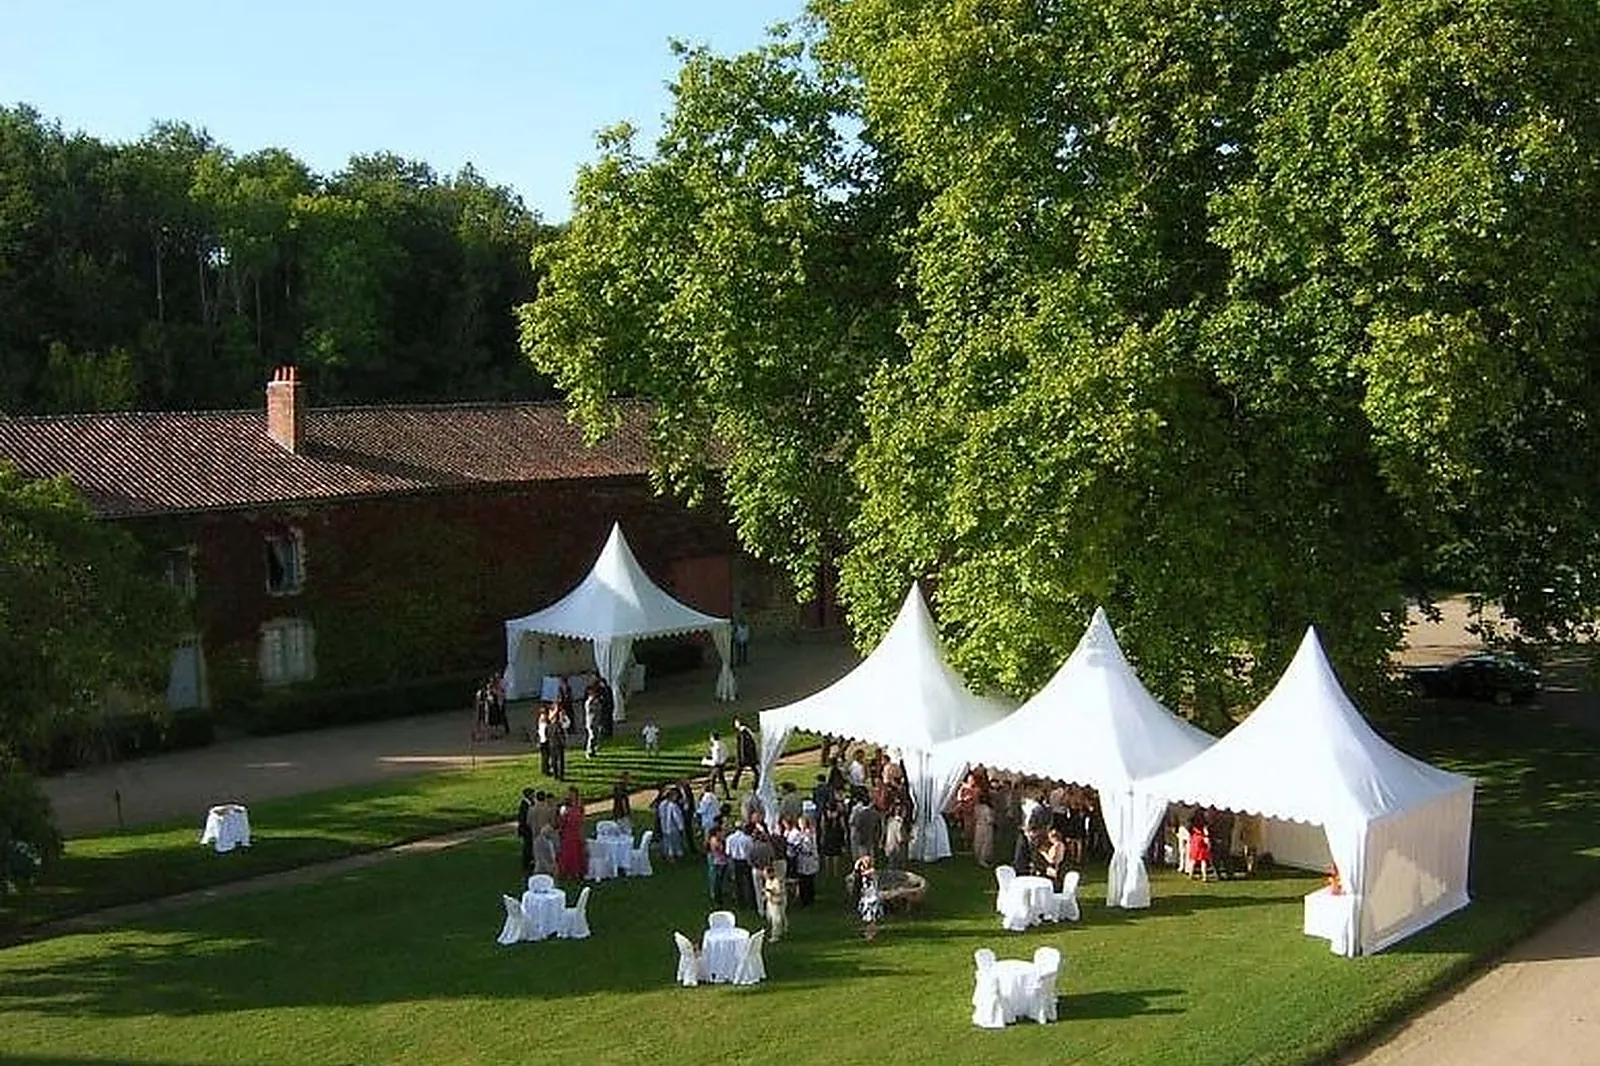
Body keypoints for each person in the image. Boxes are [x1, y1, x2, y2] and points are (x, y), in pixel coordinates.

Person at [788, 814, 820, 907]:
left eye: (802, 823)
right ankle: (805, 898)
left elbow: (807, 847)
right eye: (799, 823)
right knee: (803, 880)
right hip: (802, 860)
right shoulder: (800, 834)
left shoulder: (808, 834)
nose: (801, 825)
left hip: (808, 860)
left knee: (808, 880)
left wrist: (798, 847)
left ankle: (808, 899)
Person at [852, 853, 884, 940]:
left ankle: (870, 934)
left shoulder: (872, 871)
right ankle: (870, 931)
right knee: (867, 918)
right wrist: (858, 865)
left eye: (865, 862)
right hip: (866, 897)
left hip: (872, 897)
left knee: (871, 917)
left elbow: (863, 874)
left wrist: (858, 864)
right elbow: (856, 875)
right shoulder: (863, 872)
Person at [556, 788, 586, 880]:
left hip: (575, 832)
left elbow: (581, 820)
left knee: (576, 852)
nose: (570, 796)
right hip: (567, 833)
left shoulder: (579, 806)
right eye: (569, 794)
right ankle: (566, 872)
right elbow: (561, 821)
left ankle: (576, 871)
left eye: (572, 794)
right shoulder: (565, 807)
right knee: (567, 852)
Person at [726, 819, 755, 911]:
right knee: (749, 882)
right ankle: (752, 902)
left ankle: (741, 903)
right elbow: (751, 851)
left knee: (738, 883)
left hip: (735, 861)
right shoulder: (748, 838)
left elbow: (728, 852)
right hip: (746, 861)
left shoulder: (729, 838)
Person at [730, 717, 760, 791]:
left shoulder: (742, 732)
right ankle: (734, 785)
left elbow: (742, 746)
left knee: (740, 770)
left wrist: (741, 757)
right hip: (749, 756)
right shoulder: (746, 731)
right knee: (754, 771)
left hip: (746, 756)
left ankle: (734, 785)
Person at [705, 816, 729, 903]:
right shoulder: (715, 839)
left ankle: (720, 891)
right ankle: (715, 894)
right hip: (718, 861)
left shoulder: (714, 836)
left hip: (718, 860)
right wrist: (723, 841)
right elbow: (721, 849)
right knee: (716, 877)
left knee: (718, 877)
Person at [659, 786, 686, 862]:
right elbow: (677, 817)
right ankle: (673, 855)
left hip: (665, 826)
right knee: (674, 841)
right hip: (672, 827)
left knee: (667, 841)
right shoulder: (673, 806)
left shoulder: (662, 804)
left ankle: (666, 854)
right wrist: (681, 827)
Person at [1188, 809, 1213, 882]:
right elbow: (1206, 834)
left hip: (1194, 840)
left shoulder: (1192, 824)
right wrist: (1208, 842)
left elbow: (1190, 832)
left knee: (1193, 859)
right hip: (1202, 840)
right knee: (1203, 860)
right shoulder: (1204, 824)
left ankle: (1191, 874)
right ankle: (1204, 876)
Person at [972, 793, 995, 868]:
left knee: (978, 842)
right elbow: (989, 819)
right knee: (986, 843)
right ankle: (983, 859)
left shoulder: (976, 807)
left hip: (978, 826)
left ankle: (978, 857)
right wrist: (993, 820)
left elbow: (975, 817)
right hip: (986, 826)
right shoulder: (987, 808)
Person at [706, 731, 731, 798]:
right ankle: (726, 794)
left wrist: (706, 761)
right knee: (717, 779)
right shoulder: (722, 744)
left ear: (712, 738)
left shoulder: (716, 747)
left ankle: (715, 794)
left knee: (715, 780)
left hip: (717, 766)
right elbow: (726, 753)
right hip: (722, 764)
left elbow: (715, 760)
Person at [516, 787, 536, 871]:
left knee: (530, 846)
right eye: (532, 794)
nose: (533, 795)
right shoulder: (524, 805)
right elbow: (522, 818)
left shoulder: (531, 803)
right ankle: (526, 863)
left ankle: (530, 861)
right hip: (526, 829)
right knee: (527, 846)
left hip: (529, 828)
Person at [548, 707, 567, 780]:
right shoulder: (558, 726)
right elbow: (561, 735)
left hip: (552, 744)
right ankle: (560, 775)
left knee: (554, 760)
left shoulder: (549, 726)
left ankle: (555, 775)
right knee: (560, 760)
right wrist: (563, 742)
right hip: (558, 744)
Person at [584, 683, 602, 758]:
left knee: (596, 736)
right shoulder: (589, 702)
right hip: (590, 722)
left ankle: (593, 750)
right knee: (592, 736)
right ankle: (588, 751)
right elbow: (590, 710)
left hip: (596, 721)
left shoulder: (596, 701)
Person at [536, 708, 552, 776]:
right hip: (544, 741)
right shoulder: (544, 722)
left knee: (544, 757)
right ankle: (546, 770)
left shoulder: (540, 721)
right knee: (545, 757)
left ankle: (545, 769)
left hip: (542, 741)